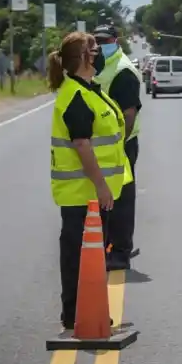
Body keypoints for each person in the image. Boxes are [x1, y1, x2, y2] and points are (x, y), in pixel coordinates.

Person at [47, 31, 133, 331]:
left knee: (93, 257)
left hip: (91, 193)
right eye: (93, 48)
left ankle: (87, 310)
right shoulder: (76, 96)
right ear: (84, 57)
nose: (99, 51)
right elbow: (81, 144)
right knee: (80, 258)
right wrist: (101, 185)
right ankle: (76, 313)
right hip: (82, 193)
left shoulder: (90, 89)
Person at [92, 24, 142, 271]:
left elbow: (129, 114)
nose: (100, 44)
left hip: (121, 145)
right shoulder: (98, 66)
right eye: (96, 40)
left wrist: (118, 147)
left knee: (121, 199)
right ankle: (108, 245)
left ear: (116, 40)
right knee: (105, 197)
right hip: (101, 145)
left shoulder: (123, 70)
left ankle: (120, 252)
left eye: (105, 40)